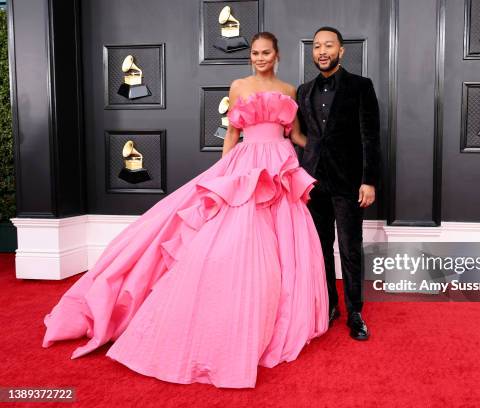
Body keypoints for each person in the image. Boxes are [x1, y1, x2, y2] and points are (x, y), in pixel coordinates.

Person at [41, 32, 329, 388]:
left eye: (266, 52)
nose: (259, 57)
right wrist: (225, 172)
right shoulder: (238, 86)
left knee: (285, 241)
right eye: (254, 52)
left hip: (280, 166)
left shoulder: (289, 90)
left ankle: (275, 312)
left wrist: (328, 143)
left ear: (277, 55)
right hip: (246, 167)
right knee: (236, 242)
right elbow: (231, 135)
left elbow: (296, 135)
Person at [296, 27, 381, 341]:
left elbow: (370, 137)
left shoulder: (361, 86)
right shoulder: (303, 91)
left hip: (348, 182)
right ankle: (329, 305)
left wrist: (368, 181)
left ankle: (355, 312)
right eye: (317, 46)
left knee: (349, 249)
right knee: (319, 250)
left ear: (341, 51)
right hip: (314, 183)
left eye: (328, 45)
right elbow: (304, 138)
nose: (322, 51)